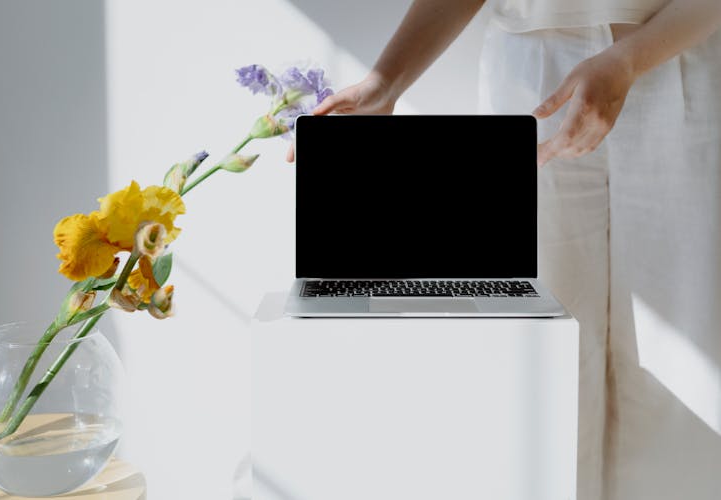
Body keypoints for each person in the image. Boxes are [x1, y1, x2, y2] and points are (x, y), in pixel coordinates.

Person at [288, 1, 721, 499]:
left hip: (677, 51)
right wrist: (386, 83)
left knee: (681, 370)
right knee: (541, 372)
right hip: (531, 77)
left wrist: (627, 60)